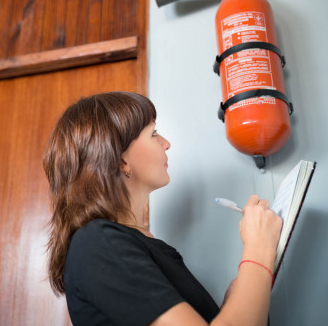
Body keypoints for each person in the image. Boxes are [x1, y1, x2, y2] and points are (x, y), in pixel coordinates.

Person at [43, 91, 282, 326]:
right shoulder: (99, 243)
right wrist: (259, 248)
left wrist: (236, 301)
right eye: (154, 133)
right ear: (121, 159)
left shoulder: (131, 243)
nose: (166, 143)